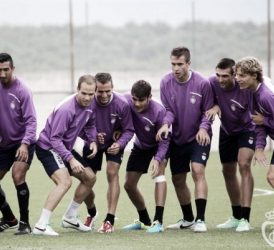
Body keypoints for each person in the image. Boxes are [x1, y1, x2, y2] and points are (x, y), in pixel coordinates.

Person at [32, 75, 98, 236]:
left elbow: (90, 123)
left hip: (64, 147)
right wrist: (71, 159)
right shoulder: (66, 109)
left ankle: (70, 217)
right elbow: (54, 139)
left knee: (90, 178)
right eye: (84, 93)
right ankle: (41, 225)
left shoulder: (91, 104)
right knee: (65, 182)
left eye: (91, 94)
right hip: (48, 147)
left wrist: (93, 140)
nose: (87, 97)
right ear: (77, 90)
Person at [159, 46, 214, 232]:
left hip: (199, 136)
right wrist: (166, 124)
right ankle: (189, 219)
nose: (176, 68)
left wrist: (204, 128)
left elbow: (208, 111)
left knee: (197, 170)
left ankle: (200, 220)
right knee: (178, 179)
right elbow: (168, 110)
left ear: (189, 64)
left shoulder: (202, 83)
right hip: (178, 138)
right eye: (173, 64)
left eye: (180, 64)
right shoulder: (165, 82)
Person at [235, 56, 274, 233]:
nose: (238, 79)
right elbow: (258, 123)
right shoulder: (251, 92)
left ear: (254, 75)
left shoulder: (266, 95)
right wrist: (259, 148)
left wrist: (265, 120)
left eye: (242, 75)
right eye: (237, 75)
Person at [0, 53, 37, 235]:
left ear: (13, 69)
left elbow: (32, 121)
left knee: (17, 176)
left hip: (25, 142)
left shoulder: (23, 90)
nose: (2, 73)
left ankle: (25, 223)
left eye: (6, 69)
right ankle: (9, 218)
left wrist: (24, 144)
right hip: (4, 143)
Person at [206, 58, 255, 232]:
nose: (221, 80)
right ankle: (235, 216)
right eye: (218, 75)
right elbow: (208, 101)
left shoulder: (244, 88)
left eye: (225, 76)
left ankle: (245, 218)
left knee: (244, 164)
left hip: (246, 130)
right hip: (227, 131)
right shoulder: (212, 83)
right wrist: (214, 106)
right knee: (227, 170)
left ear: (234, 75)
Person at [81, 73, 134, 233]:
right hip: (92, 143)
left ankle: (109, 220)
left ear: (112, 88)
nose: (104, 95)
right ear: (94, 89)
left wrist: (119, 143)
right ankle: (92, 213)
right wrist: (92, 137)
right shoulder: (87, 102)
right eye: (100, 92)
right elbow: (79, 126)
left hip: (113, 144)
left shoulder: (122, 104)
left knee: (112, 173)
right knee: (87, 178)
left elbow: (129, 129)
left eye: (107, 92)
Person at [121, 80, 170, 233]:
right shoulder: (126, 100)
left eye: (141, 100)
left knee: (159, 175)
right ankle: (145, 220)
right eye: (134, 99)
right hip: (141, 145)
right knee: (129, 185)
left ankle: (158, 222)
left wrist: (157, 159)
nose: (136, 103)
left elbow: (165, 140)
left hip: (159, 144)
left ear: (149, 97)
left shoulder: (159, 111)